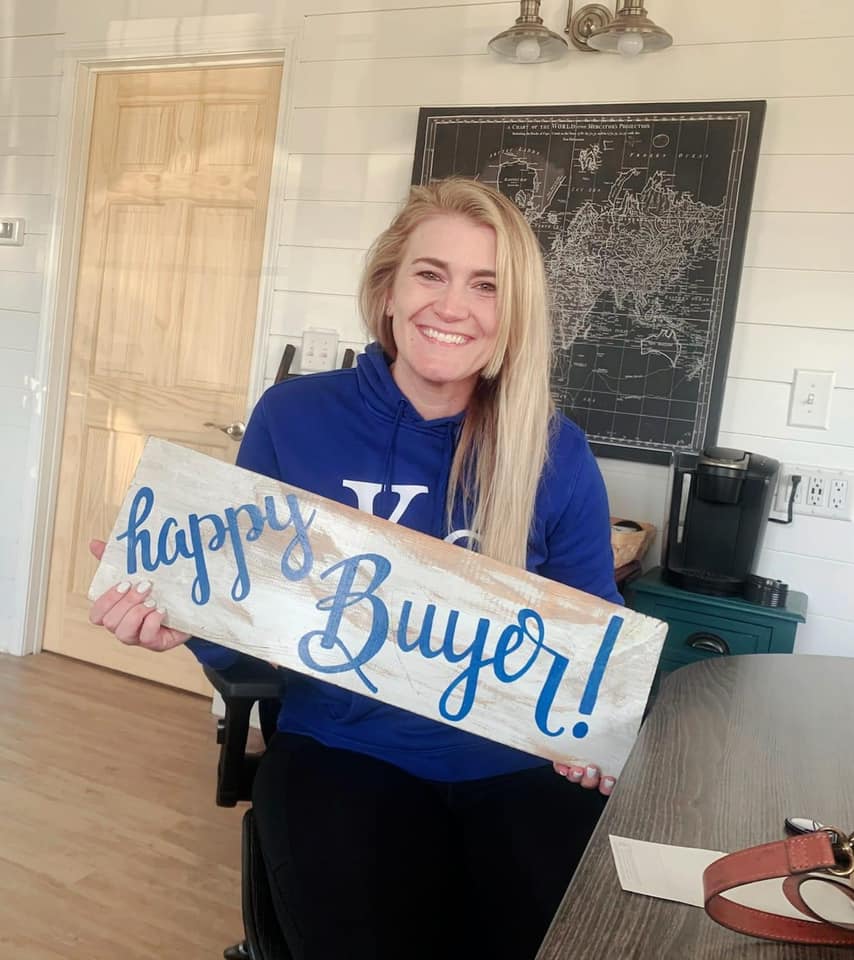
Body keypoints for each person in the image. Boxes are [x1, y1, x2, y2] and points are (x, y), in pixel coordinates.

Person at [88, 178, 623, 960]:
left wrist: (597, 740)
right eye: (430, 273)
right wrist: (182, 620)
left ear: (513, 314)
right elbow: (248, 623)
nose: (452, 305)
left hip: (512, 770)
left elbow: (596, 646)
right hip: (341, 752)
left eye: (486, 285)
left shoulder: (554, 449)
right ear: (388, 290)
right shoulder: (293, 418)